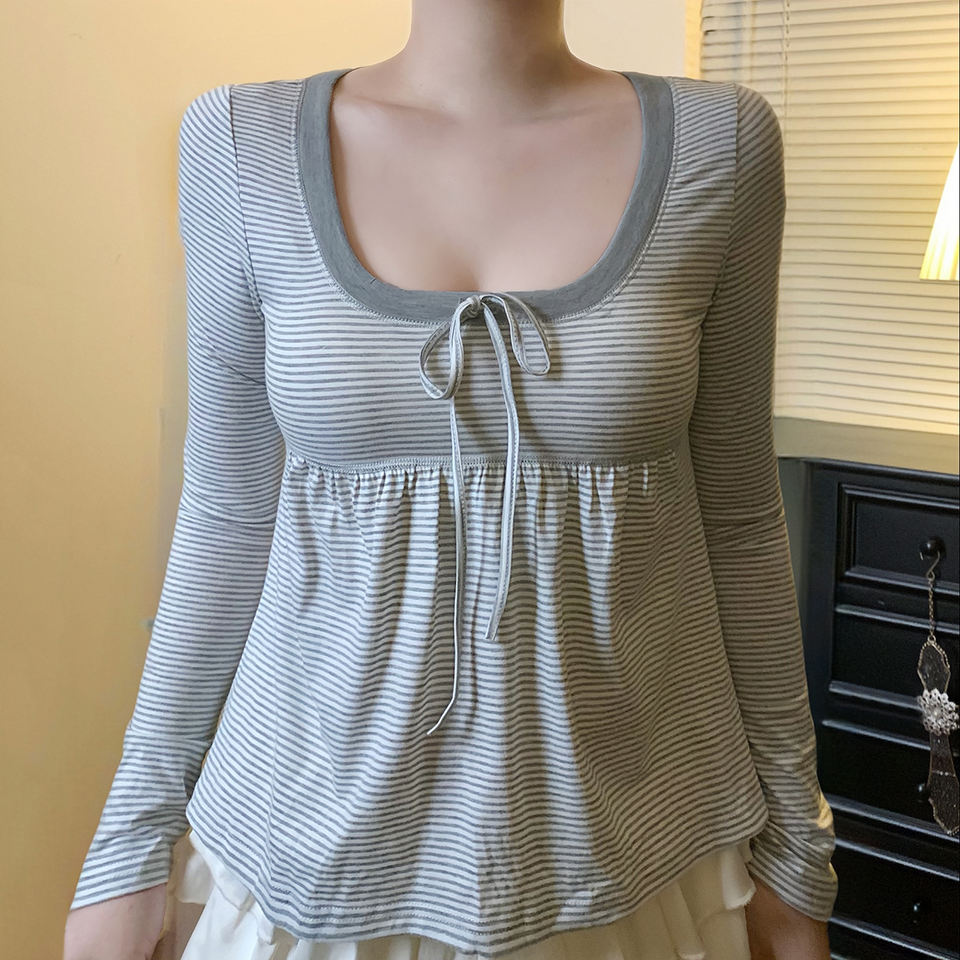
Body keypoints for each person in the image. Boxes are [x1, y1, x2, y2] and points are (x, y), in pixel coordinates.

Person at [63, 2, 838, 959]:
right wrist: (130, 839)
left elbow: (741, 521)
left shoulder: (725, 146)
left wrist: (798, 847)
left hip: (631, 847)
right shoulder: (237, 144)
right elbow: (227, 516)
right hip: (302, 849)